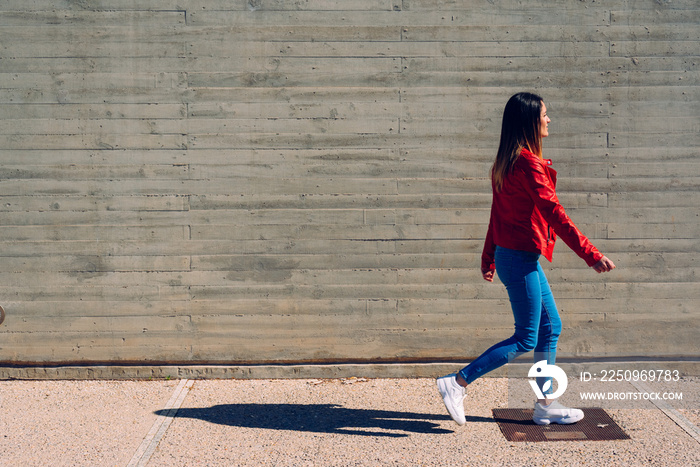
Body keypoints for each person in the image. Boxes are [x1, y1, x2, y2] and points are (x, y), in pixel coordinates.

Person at [437, 92, 616, 426]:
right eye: (545, 115)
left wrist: (489, 257)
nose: (549, 120)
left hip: (515, 257)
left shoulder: (507, 162)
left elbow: (497, 215)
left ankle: (546, 404)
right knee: (526, 337)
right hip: (519, 260)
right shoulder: (528, 164)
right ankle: (457, 382)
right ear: (530, 121)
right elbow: (555, 214)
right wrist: (591, 255)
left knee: (551, 327)